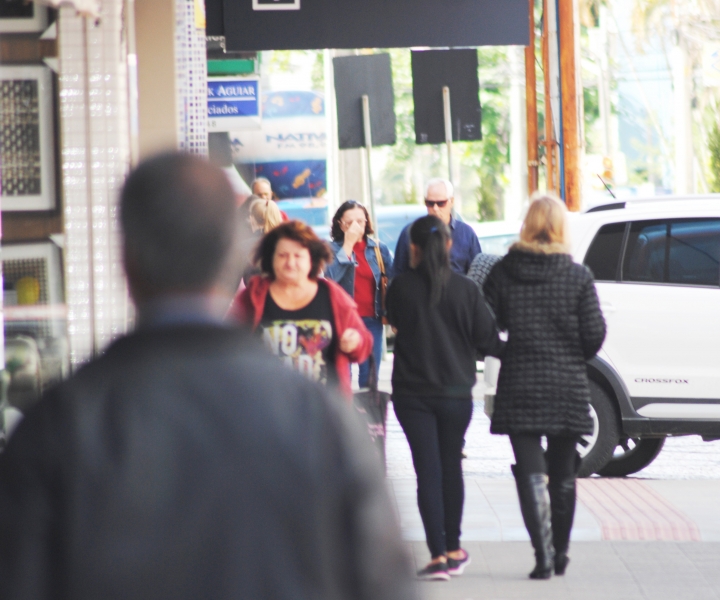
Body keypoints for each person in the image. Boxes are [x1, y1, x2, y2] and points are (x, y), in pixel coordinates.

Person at [0, 152, 416, 600]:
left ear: (126, 260)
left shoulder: (62, 421)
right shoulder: (321, 419)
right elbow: (382, 582)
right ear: (234, 255)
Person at [483, 193, 606, 580]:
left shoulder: (503, 271)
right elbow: (595, 334)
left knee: (530, 471)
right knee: (564, 473)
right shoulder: (577, 275)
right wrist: (572, 353)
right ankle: (561, 550)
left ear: (527, 225)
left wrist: (505, 347)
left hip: (520, 379)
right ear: (559, 229)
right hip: (566, 382)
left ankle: (542, 555)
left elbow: (485, 323)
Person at [386, 215, 503, 581]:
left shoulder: (400, 288)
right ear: (450, 245)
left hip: (412, 394)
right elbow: (487, 340)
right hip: (455, 394)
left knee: (427, 471)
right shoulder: (466, 290)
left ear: (414, 249)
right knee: (450, 467)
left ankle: (437, 556)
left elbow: (394, 323)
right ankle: (454, 548)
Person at [228, 221, 373, 401]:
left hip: (324, 411)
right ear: (270, 258)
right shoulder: (253, 297)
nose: (290, 262)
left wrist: (355, 341)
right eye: (282, 255)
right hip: (267, 409)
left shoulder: (332, 296)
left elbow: (363, 343)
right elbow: (226, 344)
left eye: (298, 256)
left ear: (312, 258)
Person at [324, 200, 393, 388]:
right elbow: (328, 277)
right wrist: (348, 245)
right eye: (349, 223)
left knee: (369, 377)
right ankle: (342, 415)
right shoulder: (330, 249)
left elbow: (393, 281)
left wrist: (394, 317)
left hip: (372, 319)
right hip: (340, 321)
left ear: (367, 222)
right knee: (340, 378)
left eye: (360, 222)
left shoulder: (378, 249)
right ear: (340, 224)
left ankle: (367, 415)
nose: (356, 227)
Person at [391, 178, 481, 277]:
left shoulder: (466, 233)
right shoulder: (410, 233)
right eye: (430, 203)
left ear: (451, 201)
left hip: (456, 290)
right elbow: (398, 274)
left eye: (441, 203)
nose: (435, 208)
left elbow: (477, 274)